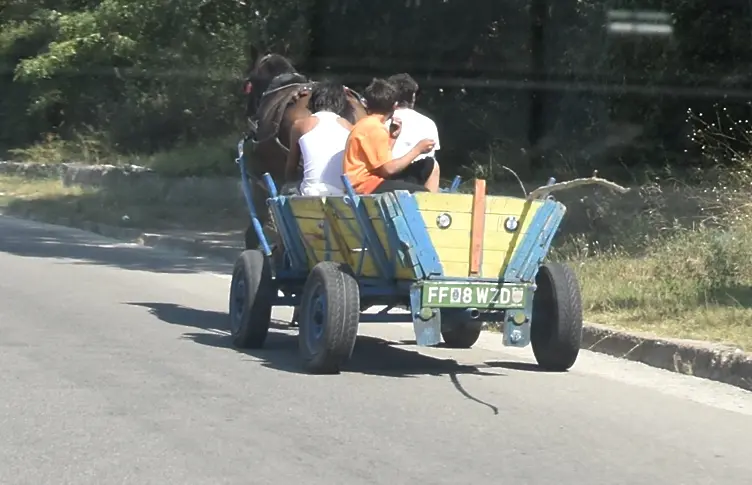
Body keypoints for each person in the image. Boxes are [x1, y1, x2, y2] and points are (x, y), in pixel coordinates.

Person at [342, 78, 436, 195]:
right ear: (395, 105)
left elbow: (382, 163)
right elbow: (388, 170)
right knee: (423, 192)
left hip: (368, 182)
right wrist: (418, 149)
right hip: (366, 185)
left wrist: (392, 138)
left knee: (428, 164)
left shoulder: (367, 124)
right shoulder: (375, 128)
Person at [284, 80, 353, 196]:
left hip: (310, 193)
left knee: (287, 188)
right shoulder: (350, 128)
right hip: (342, 193)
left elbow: (291, 167)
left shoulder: (300, 125)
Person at [386, 73, 441, 192]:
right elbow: (430, 160)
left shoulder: (382, 120)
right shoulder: (428, 123)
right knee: (434, 164)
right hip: (416, 182)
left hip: (384, 178)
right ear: (413, 97)